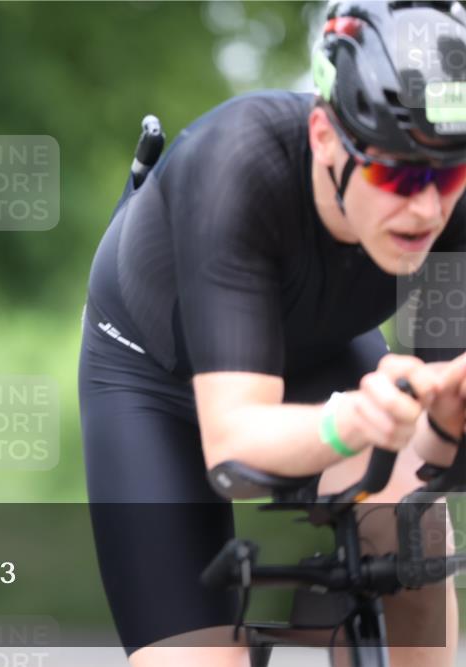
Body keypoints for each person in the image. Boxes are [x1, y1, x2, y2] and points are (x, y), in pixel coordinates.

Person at [78, 2, 466, 666]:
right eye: (396, 174)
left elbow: (439, 452)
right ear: (324, 137)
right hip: (150, 380)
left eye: (449, 174)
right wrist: (356, 422)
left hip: (316, 353)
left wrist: (445, 426)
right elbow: (233, 444)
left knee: (417, 535)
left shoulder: (451, 202)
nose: (426, 207)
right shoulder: (234, 165)